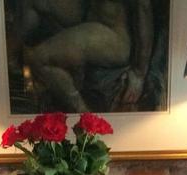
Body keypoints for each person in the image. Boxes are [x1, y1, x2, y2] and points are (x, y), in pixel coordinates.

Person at [18, 0, 155, 113]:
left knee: (37, 58)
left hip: (114, 35)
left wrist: (139, 73)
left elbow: (144, 8)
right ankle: (10, 61)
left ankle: (84, 116)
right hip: (88, 13)